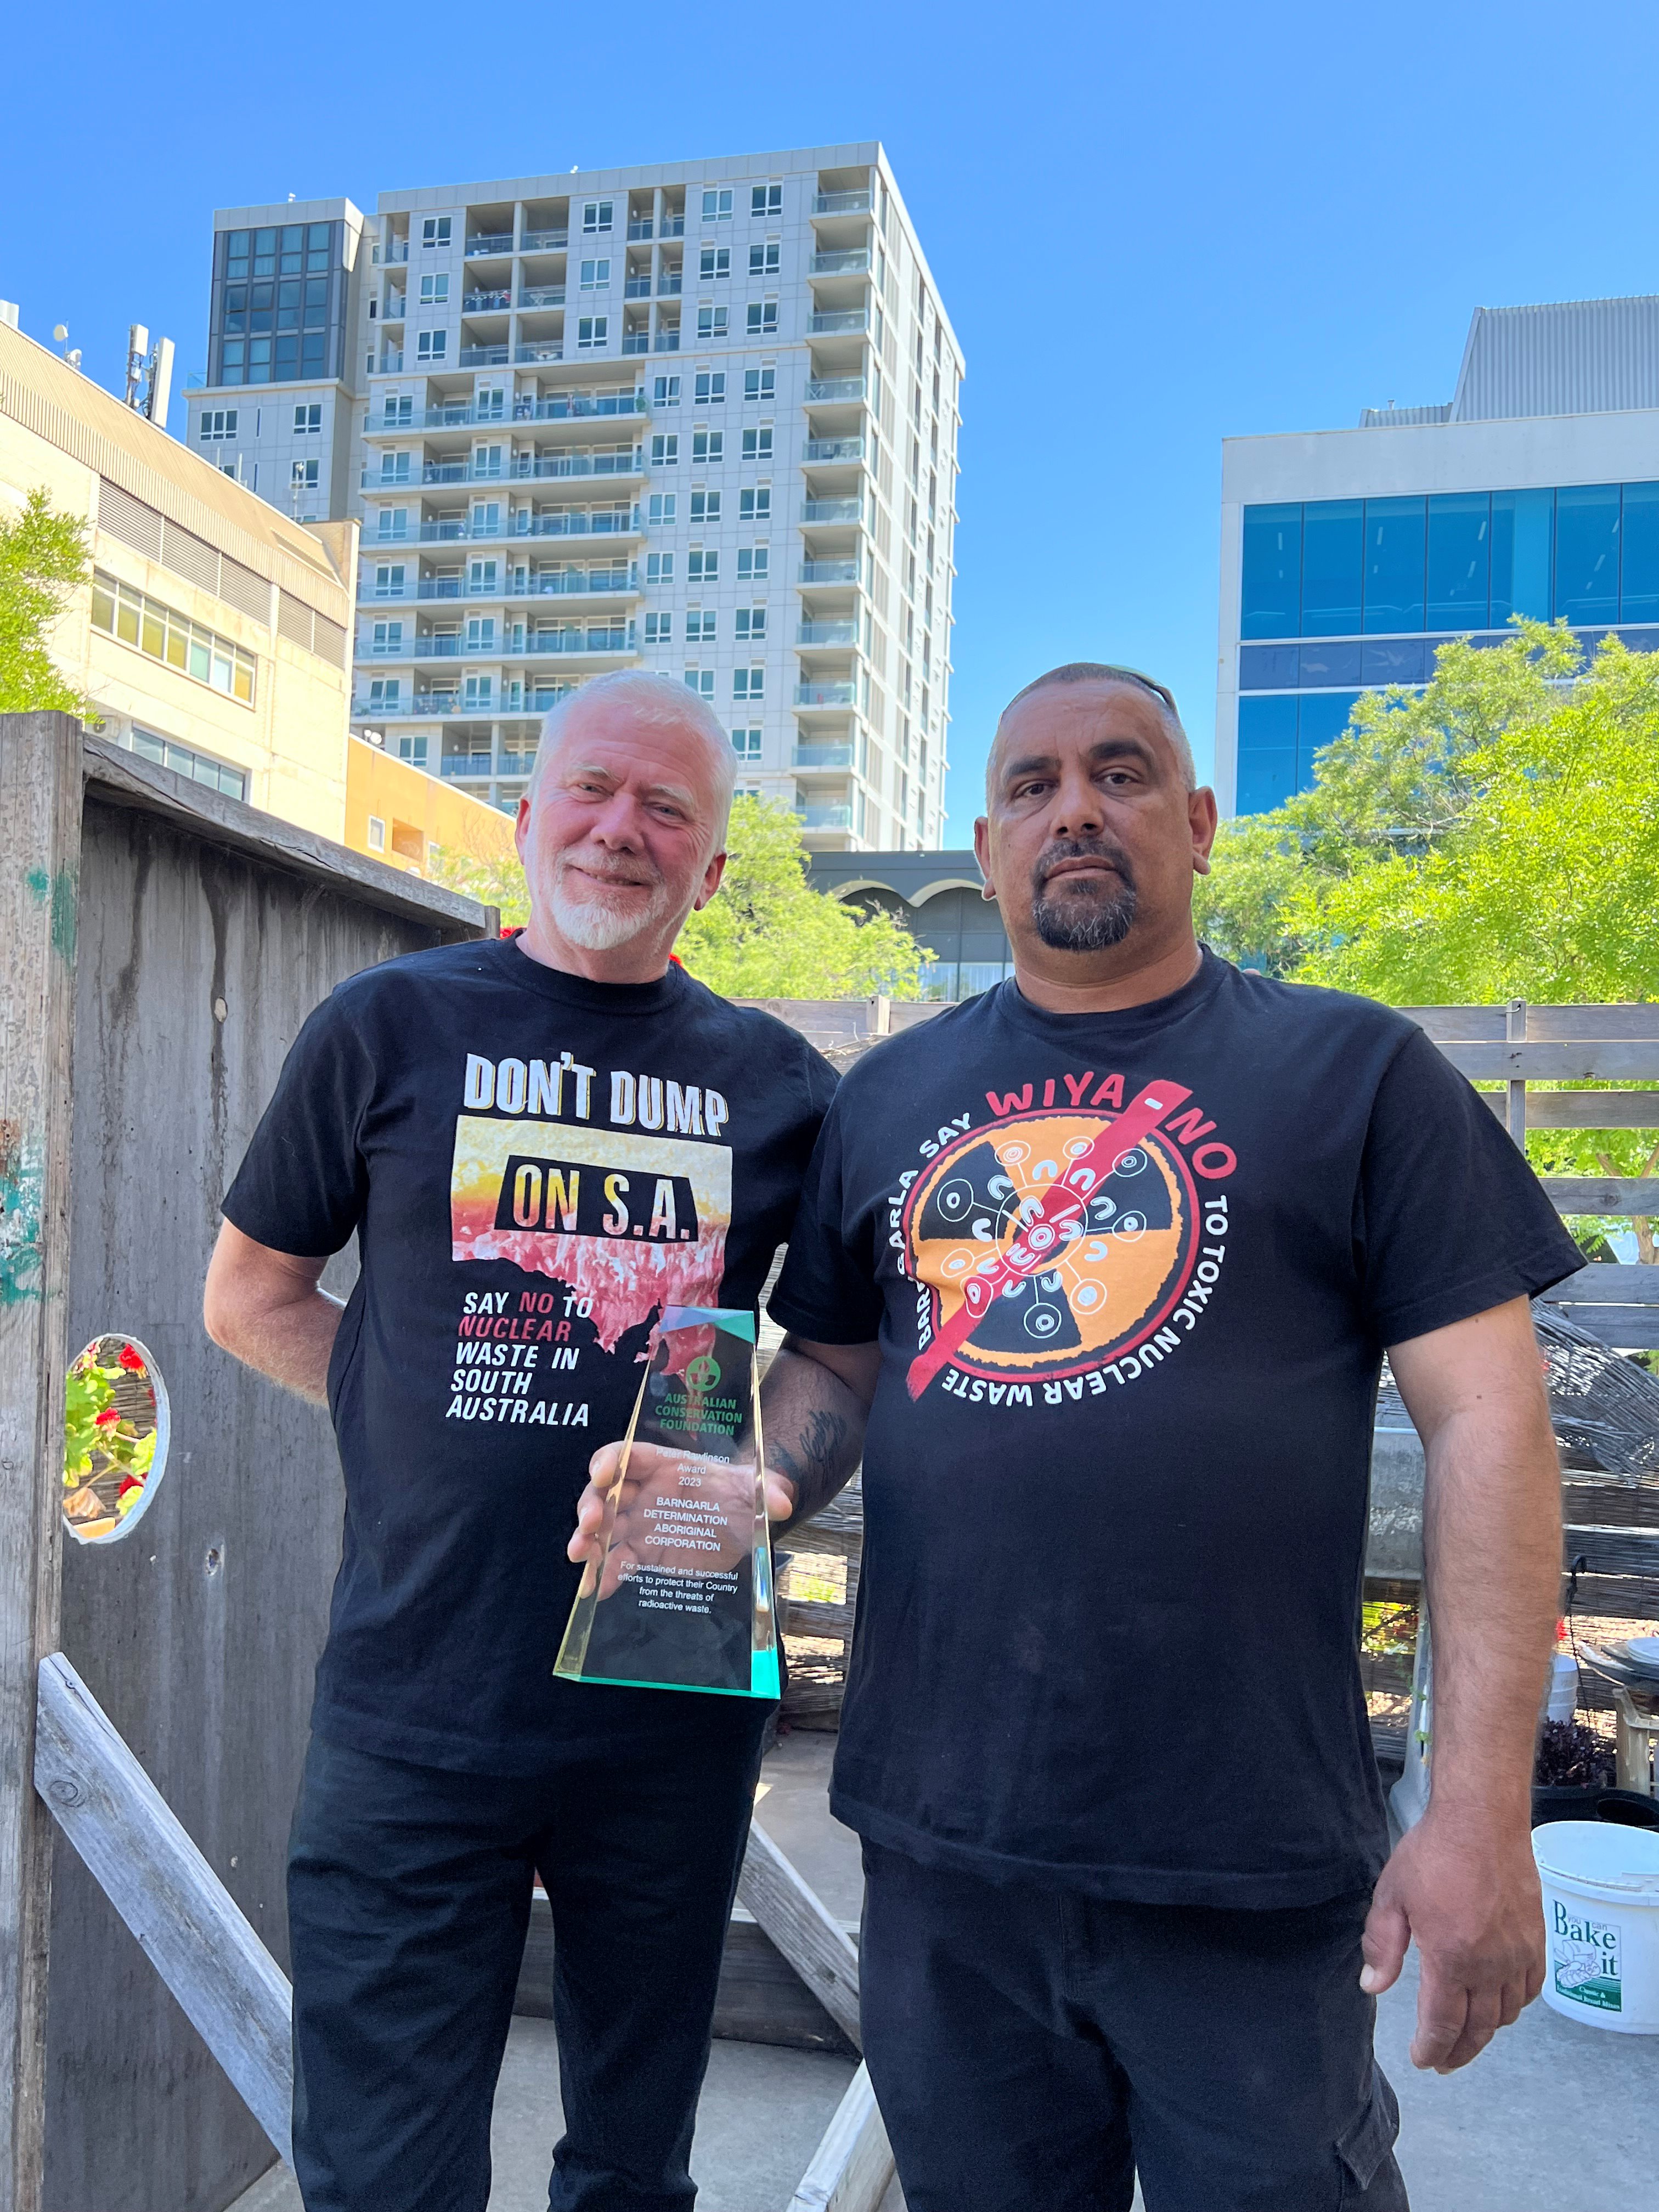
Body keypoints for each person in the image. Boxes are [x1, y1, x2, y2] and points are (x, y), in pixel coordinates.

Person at [650, 662, 1579, 2210]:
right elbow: (828, 1371)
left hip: (1249, 1865)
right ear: (986, 840)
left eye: (1121, 771)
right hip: (945, 1856)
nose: (1074, 808)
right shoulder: (888, 1098)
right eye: (1033, 785)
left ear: (1203, 823)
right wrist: (752, 1486)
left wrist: (1484, 1815)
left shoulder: (1356, 1077)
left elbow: (1490, 1420)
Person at [204, 670, 836, 2212]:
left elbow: (836, 1361)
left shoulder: (783, 1090)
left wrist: (771, 1484)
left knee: (632, 2170)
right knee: (381, 2175)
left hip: (669, 1714)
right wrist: (408, 1403)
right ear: (531, 814)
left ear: (713, 864)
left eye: (666, 810)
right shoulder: (387, 1026)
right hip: (415, 1704)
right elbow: (249, 1297)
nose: (622, 832)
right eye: (593, 793)